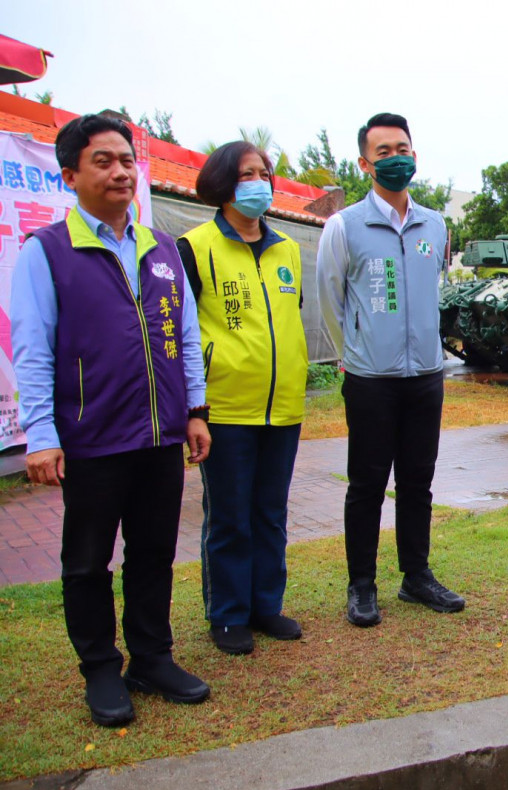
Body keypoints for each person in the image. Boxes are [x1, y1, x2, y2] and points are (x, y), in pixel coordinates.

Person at [11, 114, 212, 726]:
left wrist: (195, 411)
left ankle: (151, 657)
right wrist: (42, 437)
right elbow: (33, 349)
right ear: (70, 174)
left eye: (127, 159)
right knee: (87, 560)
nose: (121, 171)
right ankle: (100, 667)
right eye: (104, 161)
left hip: (159, 436)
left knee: (152, 552)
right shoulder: (47, 252)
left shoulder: (159, 248)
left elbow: (185, 330)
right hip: (92, 439)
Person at [317, 113, 464, 626]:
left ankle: (416, 576)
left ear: (415, 155)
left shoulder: (435, 224)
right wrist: (352, 353)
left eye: (403, 147)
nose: (395, 158)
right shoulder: (344, 226)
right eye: (383, 151)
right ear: (365, 163)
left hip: (426, 375)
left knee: (418, 481)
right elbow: (330, 299)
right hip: (370, 379)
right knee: (367, 483)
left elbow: (434, 291)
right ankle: (362, 585)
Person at [177, 141, 308, 655]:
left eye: (265, 173)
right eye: (247, 173)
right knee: (229, 513)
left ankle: (265, 606)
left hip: (284, 405)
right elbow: (185, 335)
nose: (259, 182)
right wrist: (195, 408)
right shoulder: (194, 246)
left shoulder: (287, 249)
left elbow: (289, 319)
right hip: (226, 407)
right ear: (223, 182)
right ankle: (228, 614)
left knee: (270, 511)